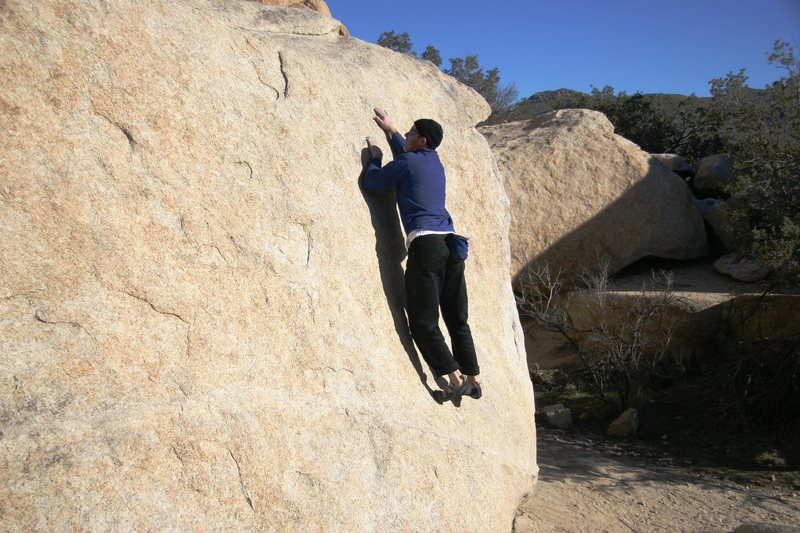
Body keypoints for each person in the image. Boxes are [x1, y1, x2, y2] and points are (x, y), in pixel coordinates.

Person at [363, 107, 481, 403]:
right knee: (457, 317)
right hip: (451, 245)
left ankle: (453, 380)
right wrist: (391, 131)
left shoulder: (409, 161)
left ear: (423, 140)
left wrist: (374, 161)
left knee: (422, 319)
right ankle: (472, 377)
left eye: (412, 132)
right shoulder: (433, 161)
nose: (408, 134)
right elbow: (405, 156)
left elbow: (375, 183)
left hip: (427, 247)